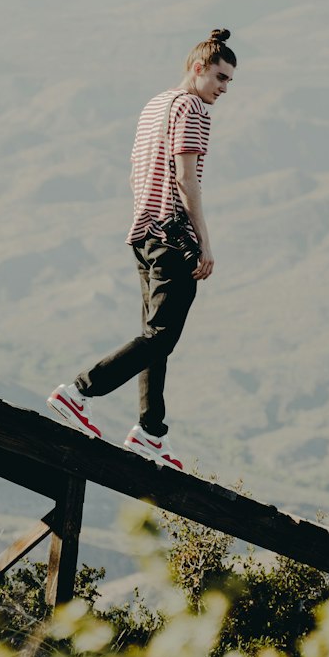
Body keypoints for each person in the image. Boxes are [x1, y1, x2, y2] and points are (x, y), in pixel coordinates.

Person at [48, 28, 237, 469]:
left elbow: (138, 171)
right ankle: (79, 391)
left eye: (229, 81)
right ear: (198, 68)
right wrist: (204, 243)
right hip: (173, 240)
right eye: (221, 78)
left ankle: (151, 432)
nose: (225, 89)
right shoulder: (192, 109)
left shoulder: (155, 105)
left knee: (156, 339)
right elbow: (187, 180)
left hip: (144, 234)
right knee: (161, 336)